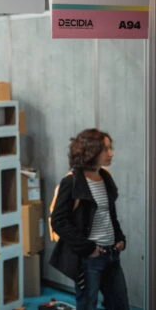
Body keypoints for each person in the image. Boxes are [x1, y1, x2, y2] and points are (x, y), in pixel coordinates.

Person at [49, 129, 128, 310]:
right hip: (90, 258)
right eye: (105, 149)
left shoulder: (106, 177)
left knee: (120, 304)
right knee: (87, 305)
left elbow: (109, 214)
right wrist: (88, 248)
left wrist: (120, 237)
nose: (111, 153)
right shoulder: (71, 182)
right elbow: (58, 221)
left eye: (110, 148)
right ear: (91, 151)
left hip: (112, 255)